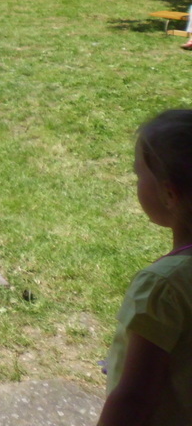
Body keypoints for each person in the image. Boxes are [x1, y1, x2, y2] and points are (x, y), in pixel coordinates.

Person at [97, 109, 192, 426]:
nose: (136, 183)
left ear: (169, 194)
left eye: (139, 175)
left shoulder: (163, 286)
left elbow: (134, 399)